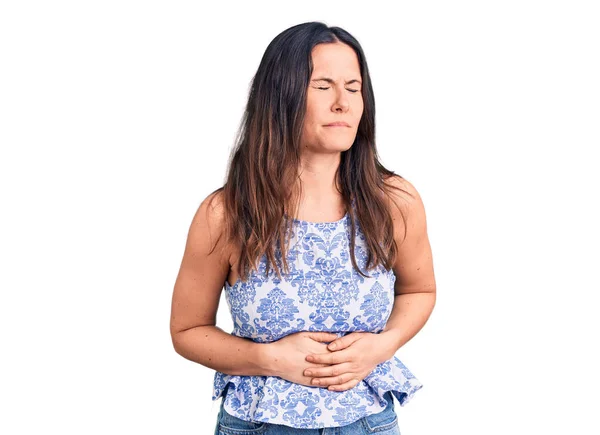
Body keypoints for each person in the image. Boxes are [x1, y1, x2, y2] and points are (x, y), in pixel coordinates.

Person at [170, 21, 436, 434]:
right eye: (323, 86)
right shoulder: (226, 213)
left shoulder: (394, 201)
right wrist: (269, 358)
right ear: (282, 96)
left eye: (353, 87)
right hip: (260, 425)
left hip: (366, 423)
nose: (342, 103)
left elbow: (420, 289)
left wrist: (383, 345)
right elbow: (187, 330)